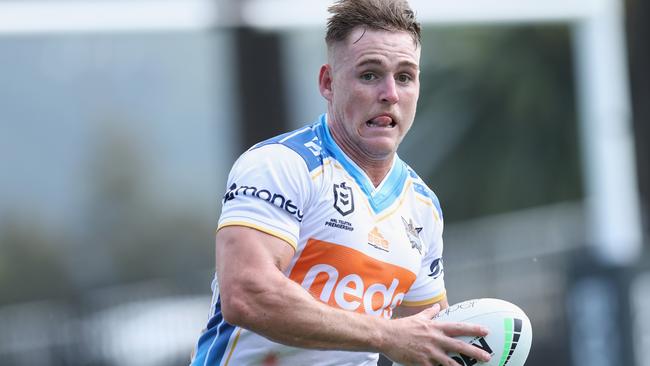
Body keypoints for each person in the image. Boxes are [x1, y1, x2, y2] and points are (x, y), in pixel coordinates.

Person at [190, 0, 492, 365]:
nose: (390, 94)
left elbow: (427, 339)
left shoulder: (422, 207)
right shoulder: (282, 165)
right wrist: (385, 334)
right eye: (369, 75)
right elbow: (248, 295)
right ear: (328, 83)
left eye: (405, 76)